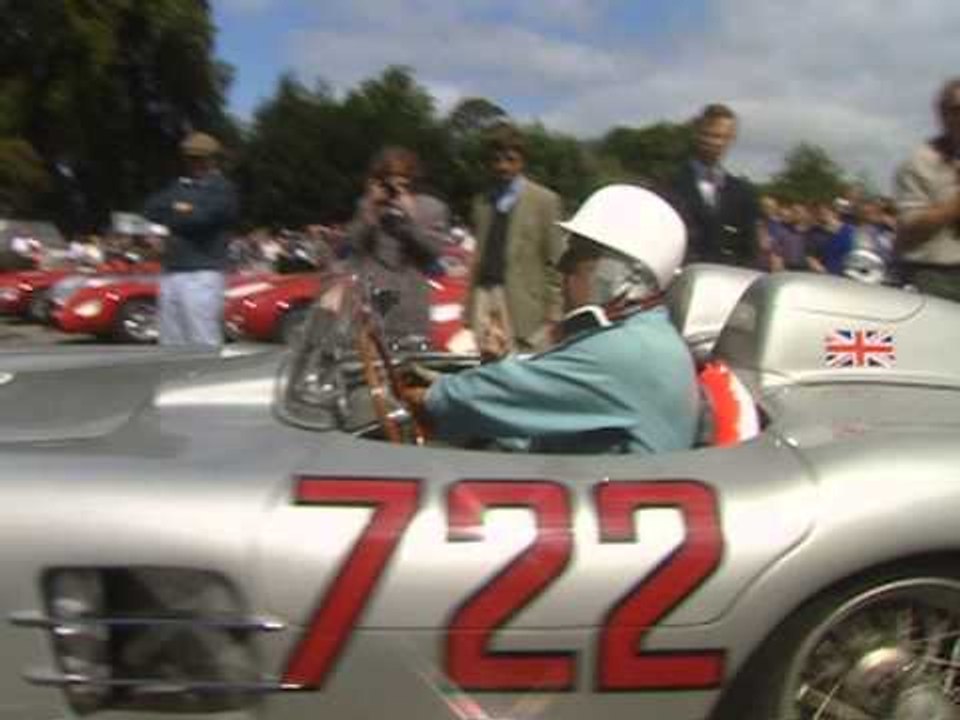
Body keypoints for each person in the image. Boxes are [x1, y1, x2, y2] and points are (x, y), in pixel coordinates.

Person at [408, 185, 700, 456]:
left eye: (577, 252)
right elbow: (539, 422)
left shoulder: (631, 350)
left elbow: (509, 393)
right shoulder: (643, 336)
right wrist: (497, 370)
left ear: (625, 273)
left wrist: (427, 397)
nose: (561, 265)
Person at [467, 124, 566, 357]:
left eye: (510, 159)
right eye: (496, 160)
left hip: (524, 304)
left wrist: (555, 312)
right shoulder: (482, 201)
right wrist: (468, 308)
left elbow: (556, 261)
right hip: (485, 296)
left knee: (525, 371)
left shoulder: (545, 201)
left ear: (522, 161)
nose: (503, 166)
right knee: (487, 367)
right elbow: (477, 257)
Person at [143, 131, 238, 346]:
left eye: (199, 158)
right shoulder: (179, 186)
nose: (194, 164)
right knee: (170, 340)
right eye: (190, 158)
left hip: (202, 272)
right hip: (172, 270)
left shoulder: (222, 189)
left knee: (202, 340)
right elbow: (151, 208)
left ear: (212, 159)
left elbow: (201, 219)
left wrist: (174, 212)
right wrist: (183, 209)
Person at [345, 146, 448, 343]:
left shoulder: (432, 207)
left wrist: (412, 219)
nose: (395, 182)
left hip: (411, 307)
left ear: (412, 177)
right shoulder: (367, 205)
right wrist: (369, 213)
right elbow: (353, 248)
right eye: (388, 176)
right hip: (373, 307)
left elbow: (433, 253)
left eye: (401, 175)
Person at [665, 103, 761, 268]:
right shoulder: (669, 184)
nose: (716, 143)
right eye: (710, 135)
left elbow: (749, 250)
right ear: (697, 134)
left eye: (723, 137)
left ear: (732, 139)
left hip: (726, 282)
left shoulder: (742, 193)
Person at [894, 77, 960, 301]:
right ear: (943, 115)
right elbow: (909, 230)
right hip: (935, 278)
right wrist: (953, 207)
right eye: (956, 109)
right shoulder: (920, 162)